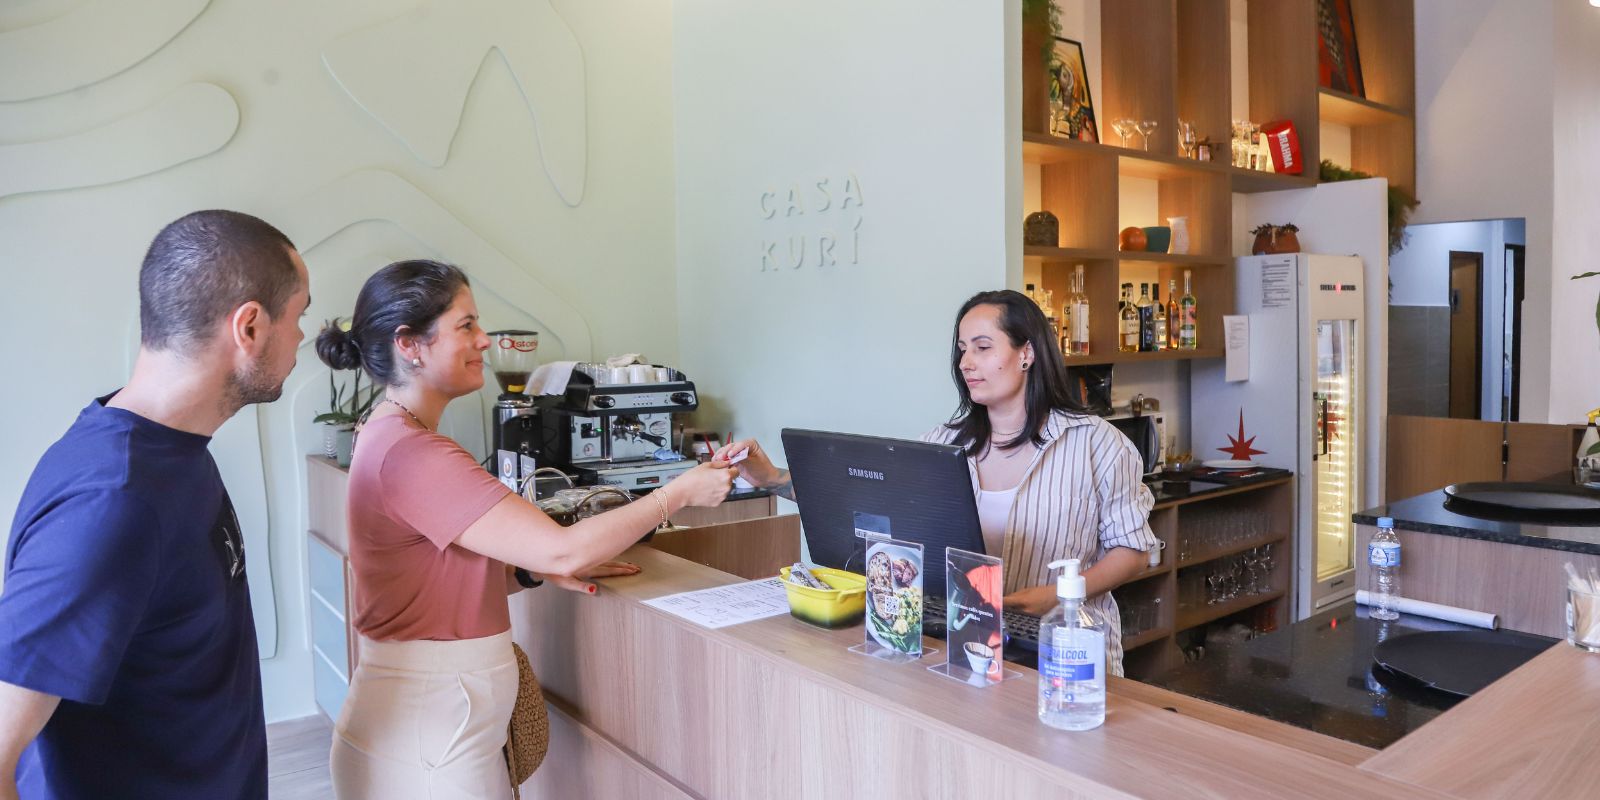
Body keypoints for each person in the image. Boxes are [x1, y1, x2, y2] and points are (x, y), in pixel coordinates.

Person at [318, 259, 737, 800]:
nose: (485, 341)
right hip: (428, 740)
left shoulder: (392, 434)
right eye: (465, 325)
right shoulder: (412, 452)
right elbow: (561, 550)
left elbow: (437, 580)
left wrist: (530, 572)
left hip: (435, 726)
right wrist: (679, 492)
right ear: (410, 344)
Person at [0, 210, 310, 799]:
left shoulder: (171, 451)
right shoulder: (113, 502)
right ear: (250, 327)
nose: (302, 340)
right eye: (299, 316)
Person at [719, 289, 1156, 674]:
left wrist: (1054, 596)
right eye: (962, 349)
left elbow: (1134, 552)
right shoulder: (943, 443)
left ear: (1027, 353)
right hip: (958, 653)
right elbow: (860, 499)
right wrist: (774, 478)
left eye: (983, 348)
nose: (966, 362)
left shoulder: (1099, 445)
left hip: (1063, 656)